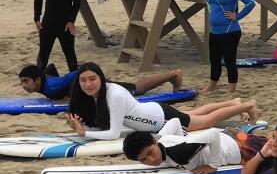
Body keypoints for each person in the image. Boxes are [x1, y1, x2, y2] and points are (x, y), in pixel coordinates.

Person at [64, 62, 259, 140]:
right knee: (194, 114)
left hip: (160, 119)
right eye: (83, 80)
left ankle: (246, 105)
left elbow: (114, 134)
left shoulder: (112, 95)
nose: (88, 84)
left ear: (101, 78)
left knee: (206, 121)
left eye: (92, 79)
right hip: (155, 112)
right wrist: (83, 128)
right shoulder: (99, 94)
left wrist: (86, 133)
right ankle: (233, 102)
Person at [124, 117, 277, 174]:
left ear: (154, 143)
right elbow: (172, 121)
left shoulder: (178, 153)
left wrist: (213, 165)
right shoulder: (161, 140)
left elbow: (210, 135)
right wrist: (184, 136)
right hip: (231, 138)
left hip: (239, 148)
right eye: (143, 160)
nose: (150, 161)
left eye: (150, 154)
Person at [205, 0, 256, 93]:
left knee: (229, 61)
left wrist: (237, 16)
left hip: (229, 31)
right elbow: (209, 1)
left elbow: (250, 3)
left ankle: (231, 89)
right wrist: (212, 15)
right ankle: (211, 86)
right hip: (214, 31)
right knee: (214, 60)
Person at [18, 63, 184, 101]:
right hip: (89, 80)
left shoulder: (52, 88)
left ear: (37, 80)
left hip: (93, 80)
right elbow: (50, 68)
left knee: (135, 89)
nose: (24, 86)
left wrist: (91, 79)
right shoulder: (45, 81)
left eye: (26, 81)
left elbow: (74, 75)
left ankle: (173, 75)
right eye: (22, 82)